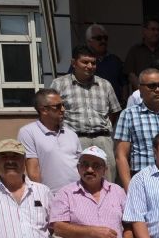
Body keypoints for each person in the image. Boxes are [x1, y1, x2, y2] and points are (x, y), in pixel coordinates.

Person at [18, 88, 81, 238]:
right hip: (53, 203)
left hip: (78, 201)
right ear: (43, 110)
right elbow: (33, 171)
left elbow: (81, 167)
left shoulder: (71, 134)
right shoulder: (28, 132)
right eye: (58, 106)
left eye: (63, 105)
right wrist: (45, 204)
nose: (63, 109)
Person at [51, 45, 121, 183]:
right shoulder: (59, 84)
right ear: (74, 63)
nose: (89, 66)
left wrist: (104, 130)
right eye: (85, 62)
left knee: (108, 178)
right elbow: (53, 112)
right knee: (75, 179)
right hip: (74, 139)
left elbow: (114, 111)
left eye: (93, 63)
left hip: (102, 139)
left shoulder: (105, 85)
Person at [114, 68, 159, 191]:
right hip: (143, 183)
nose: (157, 90)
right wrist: (129, 190)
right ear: (140, 89)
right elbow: (121, 156)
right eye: (152, 86)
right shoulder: (128, 115)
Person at [123, 17, 159, 91]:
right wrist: (144, 91)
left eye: (158, 30)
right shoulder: (135, 50)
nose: (156, 33)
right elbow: (131, 75)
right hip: (140, 94)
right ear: (144, 31)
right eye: (153, 29)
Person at [84, 23, 127, 103]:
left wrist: (124, 101)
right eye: (99, 38)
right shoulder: (82, 61)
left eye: (105, 38)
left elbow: (124, 83)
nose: (103, 41)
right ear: (89, 41)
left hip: (114, 107)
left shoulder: (115, 60)